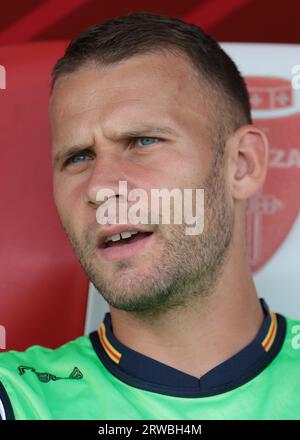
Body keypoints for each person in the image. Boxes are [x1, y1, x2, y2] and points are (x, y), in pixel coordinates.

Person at [0, 12, 299, 420]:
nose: (100, 187)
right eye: (79, 157)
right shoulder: (19, 398)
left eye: (143, 141)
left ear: (242, 164)